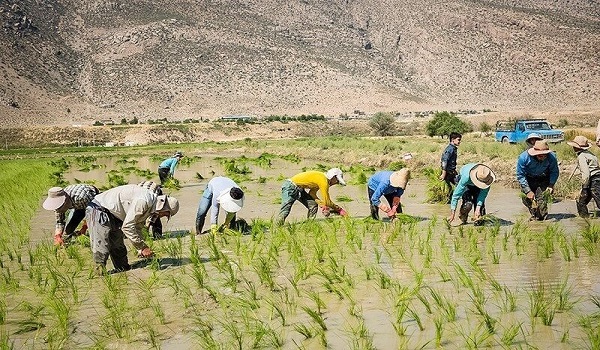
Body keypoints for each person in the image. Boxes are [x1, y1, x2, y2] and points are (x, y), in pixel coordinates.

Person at [85, 184, 179, 274]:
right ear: (164, 208)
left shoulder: (150, 207)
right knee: (101, 248)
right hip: (99, 209)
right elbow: (127, 227)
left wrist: (140, 249)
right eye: (166, 214)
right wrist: (143, 247)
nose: (162, 217)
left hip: (115, 216)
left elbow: (137, 228)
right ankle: (99, 275)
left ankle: (122, 271)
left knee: (119, 250)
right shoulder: (144, 201)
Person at [277, 168, 347, 224]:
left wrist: (323, 206)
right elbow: (327, 201)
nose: (336, 183)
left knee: (313, 205)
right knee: (286, 209)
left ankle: (309, 225)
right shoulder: (323, 181)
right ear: (333, 177)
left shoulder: (321, 179)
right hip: (290, 186)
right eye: (337, 181)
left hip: (299, 189)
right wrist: (339, 210)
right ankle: (278, 227)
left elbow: (312, 194)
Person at [516, 139, 560, 221]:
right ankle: (534, 214)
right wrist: (528, 191)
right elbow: (520, 175)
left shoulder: (552, 157)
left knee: (542, 200)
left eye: (545, 155)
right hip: (528, 178)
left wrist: (551, 185)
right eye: (540, 155)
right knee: (527, 199)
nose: (542, 157)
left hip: (543, 178)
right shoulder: (524, 157)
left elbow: (554, 171)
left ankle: (541, 217)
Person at [567, 136, 600, 218]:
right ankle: (585, 220)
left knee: (595, 201)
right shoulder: (590, 154)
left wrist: (585, 187)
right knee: (582, 202)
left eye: (574, 146)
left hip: (592, 180)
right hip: (597, 178)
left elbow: (586, 173)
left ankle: (584, 219)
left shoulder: (581, 156)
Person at [439, 132, 461, 203]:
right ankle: (449, 202)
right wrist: (443, 173)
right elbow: (444, 161)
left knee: (456, 186)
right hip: (447, 172)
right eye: (458, 140)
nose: (459, 142)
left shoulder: (453, 148)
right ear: (453, 140)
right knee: (457, 186)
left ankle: (450, 201)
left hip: (451, 171)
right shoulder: (450, 149)